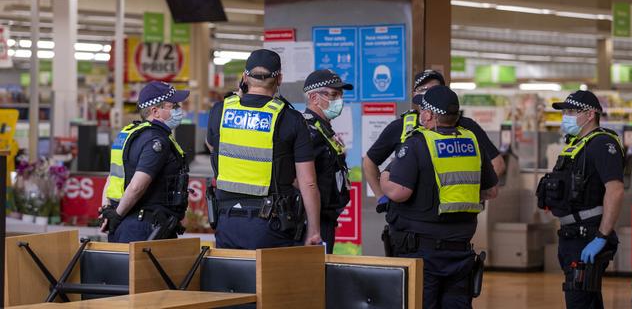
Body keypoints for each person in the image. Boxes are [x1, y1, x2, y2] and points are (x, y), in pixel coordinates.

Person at [380, 85, 498, 308]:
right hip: (460, 251)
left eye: (422, 109)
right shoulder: (471, 141)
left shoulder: (417, 143)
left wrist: (385, 176)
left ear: (429, 115)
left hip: (423, 253)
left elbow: (398, 192)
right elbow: (491, 191)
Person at [205, 49, 322, 248]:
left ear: (244, 77)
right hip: (271, 224)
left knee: (233, 279)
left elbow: (213, 146)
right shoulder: (290, 119)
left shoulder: (221, 111)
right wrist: (314, 230)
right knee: (270, 279)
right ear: (279, 79)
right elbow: (308, 182)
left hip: (227, 221)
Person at [363, 70, 504, 209]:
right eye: (422, 89)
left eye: (434, 89)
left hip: (455, 217)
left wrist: (466, 194)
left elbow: (497, 164)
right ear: (414, 94)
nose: (427, 93)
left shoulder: (468, 128)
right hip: (412, 218)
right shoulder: (401, 127)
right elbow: (369, 162)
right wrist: (381, 198)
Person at [536, 90, 624, 309]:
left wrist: (601, 237)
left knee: (580, 300)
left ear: (590, 114)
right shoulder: (577, 144)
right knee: (587, 300)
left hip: (588, 236)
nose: (566, 115)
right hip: (571, 236)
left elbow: (615, 191)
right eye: (565, 111)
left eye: (572, 111)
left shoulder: (602, 144)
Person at [100, 81, 190, 242]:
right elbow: (137, 186)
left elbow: (112, 177)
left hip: (126, 224)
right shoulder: (157, 140)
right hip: (145, 228)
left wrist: (109, 211)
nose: (179, 109)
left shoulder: (130, 135)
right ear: (155, 111)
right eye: (173, 106)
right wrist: (117, 215)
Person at [302, 69, 353, 253]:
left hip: (327, 218)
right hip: (313, 221)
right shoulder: (308, 131)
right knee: (313, 276)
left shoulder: (323, 129)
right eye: (333, 94)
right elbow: (298, 177)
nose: (339, 100)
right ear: (314, 97)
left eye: (340, 94)